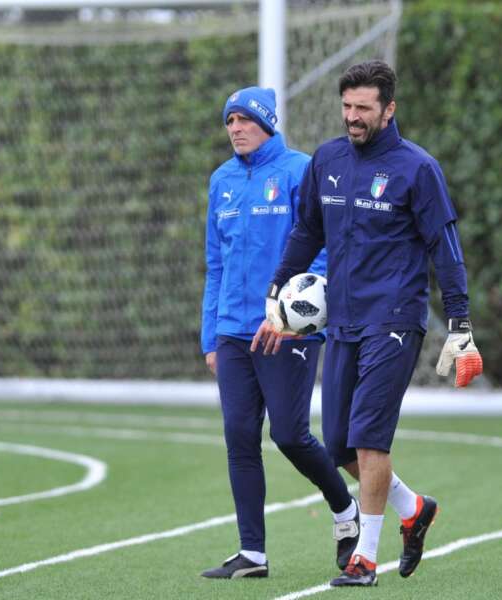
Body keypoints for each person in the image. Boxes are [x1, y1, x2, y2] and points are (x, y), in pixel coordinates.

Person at [252, 60, 483, 587]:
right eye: (347, 107)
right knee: (336, 445)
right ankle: (413, 507)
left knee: (369, 440)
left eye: (363, 109)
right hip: (343, 322)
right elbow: (307, 232)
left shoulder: (417, 169)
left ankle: (365, 557)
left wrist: (460, 320)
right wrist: (277, 287)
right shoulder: (328, 159)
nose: (352, 118)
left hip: (395, 319)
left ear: (389, 109)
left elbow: (445, 251)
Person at [199, 86, 360, 579]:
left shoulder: (300, 170)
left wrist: (294, 317)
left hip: (288, 331)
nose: (235, 129)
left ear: (267, 123)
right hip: (232, 332)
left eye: (245, 120)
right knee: (240, 437)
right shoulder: (221, 180)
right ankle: (253, 554)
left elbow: (324, 249)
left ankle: (344, 510)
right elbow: (216, 263)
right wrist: (211, 335)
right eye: (230, 121)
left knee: (290, 435)